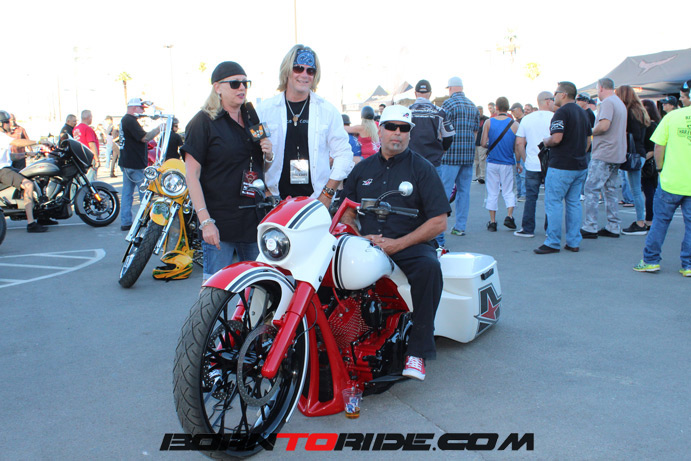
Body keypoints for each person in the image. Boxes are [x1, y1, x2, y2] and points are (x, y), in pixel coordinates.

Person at [341, 105, 450, 380]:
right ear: (380, 130)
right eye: (391, 127)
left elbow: (439, 222)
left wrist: (397, 244)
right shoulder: (361, 169)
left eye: (404, 129)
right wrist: (359, 236)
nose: (397, 133)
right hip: (366, 244)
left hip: (410, 244)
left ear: (410, 134)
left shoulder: (423, 169)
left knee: (429, 268)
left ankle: (418, 352)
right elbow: (346, 213)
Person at [182, 61, 272, 283]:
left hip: (253, 218)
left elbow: (259, 168)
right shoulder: (203, 122)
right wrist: (205, 222)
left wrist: (268, 155)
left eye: (245, 83)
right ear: (217, 87)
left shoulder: (251, 117)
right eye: (234, 83)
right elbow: (191, 175)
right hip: (220, 220)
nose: (241, 88)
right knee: (215, 290)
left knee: (258, 288)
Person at [256, 44, 353, 209]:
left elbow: (343, 154)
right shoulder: (265, 110)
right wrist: (266, 192)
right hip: (275, 202)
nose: (304, 75)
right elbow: (250, 156)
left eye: (310, 71)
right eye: (298, 68)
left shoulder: (327, 111)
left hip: (314, 202)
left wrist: (327, 195)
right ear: (287, 70)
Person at [633, 80, 691, 277]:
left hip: (671, 180)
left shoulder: (672, 117)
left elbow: (659, 146)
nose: (682, 100)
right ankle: (688, 265)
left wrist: (659, 168)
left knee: (660, 222)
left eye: (683, 97)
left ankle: (650, 261)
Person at [534, 82, 591, 254]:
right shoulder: (583, 113)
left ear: (563, 94)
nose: (554, 96)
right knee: (573, 203)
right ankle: (573, 241)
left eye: (556, 93)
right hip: (579, 165)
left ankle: (553, 241)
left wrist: (546, 141)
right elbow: (588, 141)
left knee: (554, 202)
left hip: (561, 165)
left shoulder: (561, 112)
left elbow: (556, 138)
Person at [408, 79, 454, 247]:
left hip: (410, 162)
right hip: (433, 162)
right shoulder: (440, 112)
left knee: (409, 202)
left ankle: (413, 240)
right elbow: (449, 136)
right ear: (430, 93)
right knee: (436, 203)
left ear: (415, 93)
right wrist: (442, 150)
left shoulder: (407, 111)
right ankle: (439, 243)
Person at [581, 78, 627, 239]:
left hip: (604, 152)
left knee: (591, 188)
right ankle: (613, 225)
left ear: (601, 88)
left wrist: (589, 131)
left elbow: (604, 126)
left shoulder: (607, 103)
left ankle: (590, 225)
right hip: (617, 152)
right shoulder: (619, 103)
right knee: (610, 189)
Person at [440, 76, 479, 237]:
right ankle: (460, 226)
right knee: (464, 192)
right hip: (467, 155)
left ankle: (440, 227)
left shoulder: (448, 104)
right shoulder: (472, 105)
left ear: (450, 88)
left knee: (444, 191)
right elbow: (475, 131)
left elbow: (442, 129)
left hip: (450, 155)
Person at [118, 98, 164, 231]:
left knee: (127, 194)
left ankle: (126, 221)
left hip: (128, 162)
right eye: (141, 108)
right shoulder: (130, 120)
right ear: (134, 108)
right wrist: (159, 129)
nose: (143, 111)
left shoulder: (126, 120)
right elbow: (145, 137)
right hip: (134, 163)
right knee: (145, 193)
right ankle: (146, 219)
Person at [514, 91, 555, 238]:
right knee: (551, 197)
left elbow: (519, 143)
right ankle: (550, 229)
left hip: (532, 163)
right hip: (551, 163)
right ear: (548, 101)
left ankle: (527, 228)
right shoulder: (555, 117)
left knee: (531, 198)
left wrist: (525, 159)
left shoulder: (527, 119)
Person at [0, 110, 47, 232]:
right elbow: (17, 142)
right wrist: (39, 141)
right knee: (28, 185)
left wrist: (27, 154)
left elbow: (10, 157)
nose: (9, 124)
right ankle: (31, 223)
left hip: (7, 168)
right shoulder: (1, 136)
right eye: (6, 122)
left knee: (34, 177)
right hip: (2, 171)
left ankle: (42, 216)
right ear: (1, 124)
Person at [616, 85, 651, 236]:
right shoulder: (641, 111)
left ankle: (640, 222)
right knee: (637, 190)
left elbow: (633, 135)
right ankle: (641, 221)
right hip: (640, 153)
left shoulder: (629, 112)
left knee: (636, 190)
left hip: (633, 154)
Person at [481, 97, 519, 232]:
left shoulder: (488, 122)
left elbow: (483, 143)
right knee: (509, 191)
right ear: (508, 108)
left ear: (496, 107)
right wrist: (518, 162)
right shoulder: (514, 124)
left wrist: (491, 145)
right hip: (507, 162)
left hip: (492, 161)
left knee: (492, 192)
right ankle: (509, 216)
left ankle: (492, 222)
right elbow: (517, 146)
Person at [640, 99, 661, 227]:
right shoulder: (656, 124)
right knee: (652, 191)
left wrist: (642, 160)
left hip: (649, 163)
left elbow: (652, 148)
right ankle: (653, 218)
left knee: (649, 192)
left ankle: (649, 219)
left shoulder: (649, 126)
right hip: (654, 163)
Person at [73, 110, 101, 174]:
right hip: (89, 158)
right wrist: (96, 159)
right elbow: (91, 144)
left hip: (80, 157)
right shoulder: (88, 129)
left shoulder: (76, 129)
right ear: (88, 117)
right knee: (90, 177)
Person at [473, 105, 488, 184]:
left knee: (482, 160)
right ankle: (478, 176)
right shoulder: (473, 119)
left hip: (482, 144)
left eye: (481, 111)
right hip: (475, 143)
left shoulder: (486, 120)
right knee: (476, 161)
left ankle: (483, 176)